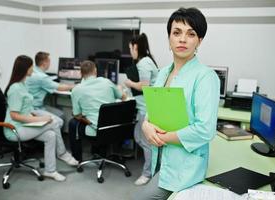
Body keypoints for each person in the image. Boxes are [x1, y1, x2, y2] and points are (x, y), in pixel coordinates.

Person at [137, 7, 220, 199]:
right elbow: (153, 112)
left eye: (191, 34)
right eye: (176, 33)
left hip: (184, 166)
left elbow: (205, 129)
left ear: (199, 41)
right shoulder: (163, 72)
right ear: (169, 39)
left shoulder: (206, 77)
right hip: (161, 158)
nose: (182, 39)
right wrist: (145, 125)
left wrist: (161, 138)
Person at [4, 55, 78, 182]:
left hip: (24, 124)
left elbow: (26, 109)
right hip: (15, 129)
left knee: (50, 135)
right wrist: (39, 119)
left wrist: (37, 117)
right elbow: (14, 115)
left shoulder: (23, 84)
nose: (33, 68)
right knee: (54, 122)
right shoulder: (15, 88)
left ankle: (50, 171)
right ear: (25, 69)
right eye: (31, 66)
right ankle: (62, 154)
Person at [68, 60, 126, 162]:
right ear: (95, 71)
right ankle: (98, 152)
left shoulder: (76, 89)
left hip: (95, 130)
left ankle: (77, 159)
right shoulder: (106, 82)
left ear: (81, 73)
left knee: (73, 123)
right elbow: (123, 97)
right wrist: (119, 88)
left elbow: (77, 115)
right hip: (113, 129)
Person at [124, 33, 159, 186]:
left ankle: (147, 173)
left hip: (147, 109)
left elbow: (144, 86)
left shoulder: (144, 63)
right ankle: (153, 168)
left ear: (136, 47)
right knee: (138, 136)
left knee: (145, 141)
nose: (130, 51)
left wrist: (129, 83)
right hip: (144, 106)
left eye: (131, 48)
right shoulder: (146, 61)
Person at [26, 51, 74, 127]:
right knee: (61, 115)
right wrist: (74, 86)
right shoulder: (41, 77)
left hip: (28, 106)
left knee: (56, 108)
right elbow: (60, 87)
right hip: (35, 108)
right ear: (44, 63)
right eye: (49, 61)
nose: (49, 64)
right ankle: (56, 135)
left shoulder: (33, 71)